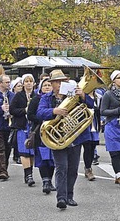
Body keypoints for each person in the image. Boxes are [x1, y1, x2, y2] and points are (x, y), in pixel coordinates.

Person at [37, 69, 94, 209]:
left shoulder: (72, 94)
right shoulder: (47, 97)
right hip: (57, 138)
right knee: (61, 167)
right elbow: (39, 113)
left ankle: (70, 196)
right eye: (56, 82)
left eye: (62, 81)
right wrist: (53, 111)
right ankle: (61, 198)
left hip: (75, 136)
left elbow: (91, 106)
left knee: (73, 169)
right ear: (52, 84)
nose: (59, 84)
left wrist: (83, 95)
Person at [28, 77, 56, 194]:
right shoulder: (36, 99)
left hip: (54, 131)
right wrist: (43, 119)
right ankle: (45, 180)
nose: (47, 87)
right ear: (40, 87)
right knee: (43, 157)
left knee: (53, 158)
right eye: (45, 85)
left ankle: (50, 180)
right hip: (40, 130)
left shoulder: (55, 99)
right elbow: (30, 115)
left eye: (49, 85)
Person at [10, 74, 37, 186]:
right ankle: (28, 175)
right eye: (26, 81)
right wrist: (24, 110)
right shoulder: (18, 96)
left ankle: (29, 172)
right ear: (23, 83)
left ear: (34, 83)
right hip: (21, 126)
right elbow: (12, 110)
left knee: (31, 152)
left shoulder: (37, 96)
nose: (29, 83)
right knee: (24, 151)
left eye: (31, 81)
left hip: (33, 127)